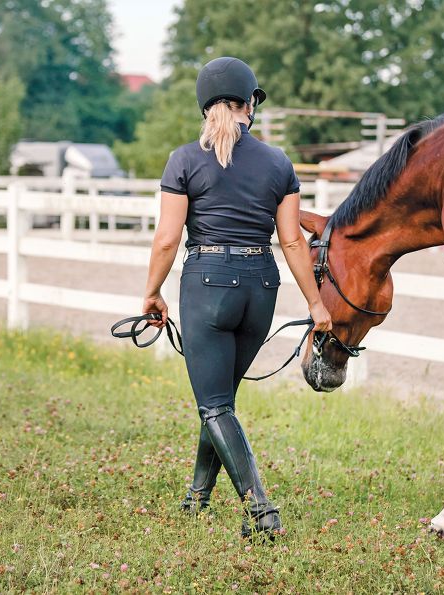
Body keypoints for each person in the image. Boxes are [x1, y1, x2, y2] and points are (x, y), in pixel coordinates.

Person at [142, 56, 332, 539]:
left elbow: (166, 239)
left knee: (214, 405)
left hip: (207, 283)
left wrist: (151, 292)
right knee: (222, 398)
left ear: (205, 108)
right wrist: (315, 304)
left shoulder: (184, 160)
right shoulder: (278, 162)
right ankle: (196, 497)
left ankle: (262, 511)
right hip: (260, 288)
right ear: (250, 105)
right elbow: (291, 242)